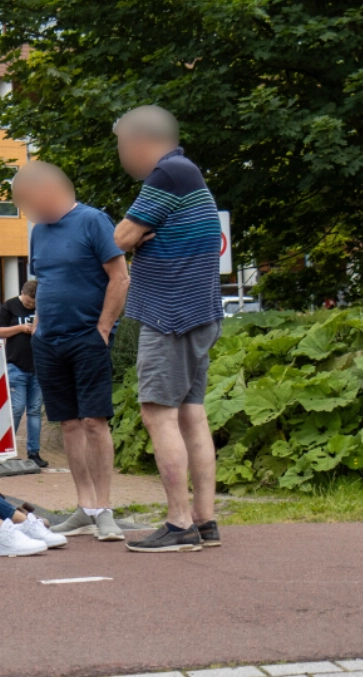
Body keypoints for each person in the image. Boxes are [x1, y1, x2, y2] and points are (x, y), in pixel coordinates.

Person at [112, 105, 223, 552]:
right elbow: (132, 234)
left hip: (169, 314)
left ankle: (179, 525)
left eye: (122, 147)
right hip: (199, 310)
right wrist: (140, 235)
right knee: (191, 414)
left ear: (141, 141)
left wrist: (134, 236)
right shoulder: (186, 173)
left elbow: (117, 238)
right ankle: (205, 520)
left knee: (157, 413)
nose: (122, 156)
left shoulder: (168, 173)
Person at [13, 161, 129, 542]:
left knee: (95, 421)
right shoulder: (39, 233)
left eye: (29, 202)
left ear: (50, 190)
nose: (28, 211)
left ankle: (105, 509)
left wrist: (103, 329)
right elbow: (43, 282)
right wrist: (40, 328)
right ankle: (85, 508)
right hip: (48, 341)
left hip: (88, 338)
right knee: (68, 424)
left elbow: (119, 276)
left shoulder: (94, 221)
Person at [0, 280, 47, 468]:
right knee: (17, 409)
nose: (31, 306)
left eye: (34, 304)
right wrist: (20, 328)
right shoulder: (10, 306)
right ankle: (6, 449)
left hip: (38, 366)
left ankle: (34, 452)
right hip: (16, 365)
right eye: (27, 303)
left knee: (34, 410)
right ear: (22, 293)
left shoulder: (43, 306)